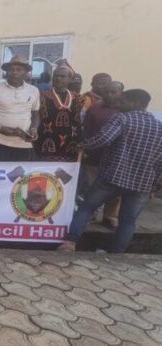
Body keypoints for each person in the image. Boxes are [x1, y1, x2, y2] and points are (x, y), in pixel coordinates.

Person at [58, 89, 162, 253]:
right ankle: (117, 254)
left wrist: (83, 145)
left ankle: (70, 243)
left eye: (123, 101)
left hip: (112, 177)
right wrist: (155, 186)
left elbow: (104, 139)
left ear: (135, 103)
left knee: (86, 207)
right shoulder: (159, 127)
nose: (118, 104)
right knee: (128, 221)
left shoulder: (122, 118)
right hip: (141, 183)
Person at [83, 81, 124, 228]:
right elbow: (86, 129)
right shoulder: (94, 109)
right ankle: (92, 214)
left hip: (116, 158)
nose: (110, 95)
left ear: (121, 93)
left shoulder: (124, 111)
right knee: (91, 187)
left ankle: (110, 216)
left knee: (115, 191)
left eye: (114, 92)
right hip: (94, 155)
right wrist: (85, 148)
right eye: (107, 91)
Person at [0, 55, 40, 161]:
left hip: (23, 144)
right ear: (6, 72)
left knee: (21, 177)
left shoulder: (34, 90)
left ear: (26, 72)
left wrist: (34, 128)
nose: (14, 72)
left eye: (19, 69)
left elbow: (36, 115)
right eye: (11, 69)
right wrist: (0, 128)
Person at [34, 63, 83, 162]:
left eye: (63, 76)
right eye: (56, 76)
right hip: (45, 144)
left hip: (70, 146)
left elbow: (78, 121)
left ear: (70, 79)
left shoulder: (78, 98)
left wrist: (81, 141)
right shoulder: (42, 96)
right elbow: (36, 117)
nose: (59, 79)